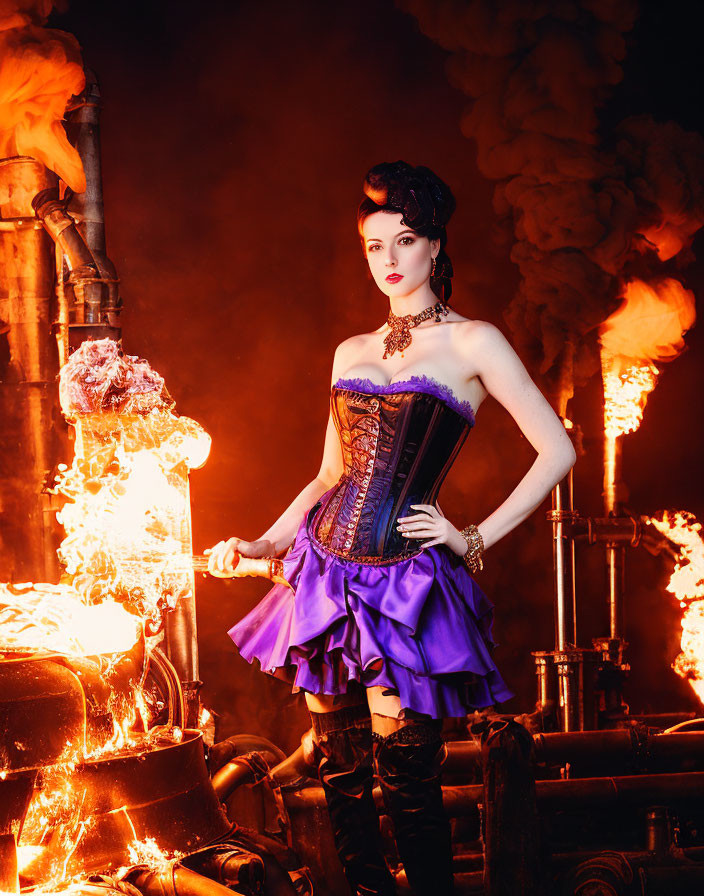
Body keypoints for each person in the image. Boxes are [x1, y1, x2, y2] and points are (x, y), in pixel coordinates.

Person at [207, 161, 577, 896]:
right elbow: (327, 477)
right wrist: (265, 543)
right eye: (374, 246)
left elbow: (559, 449)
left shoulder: (475, 342)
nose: (388, 261)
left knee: (407, 778)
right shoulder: (351, 351)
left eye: (403, 242)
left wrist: (471, 538)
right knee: (340, 775)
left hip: (402, 583)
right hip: (323, 575)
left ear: (435, 247)